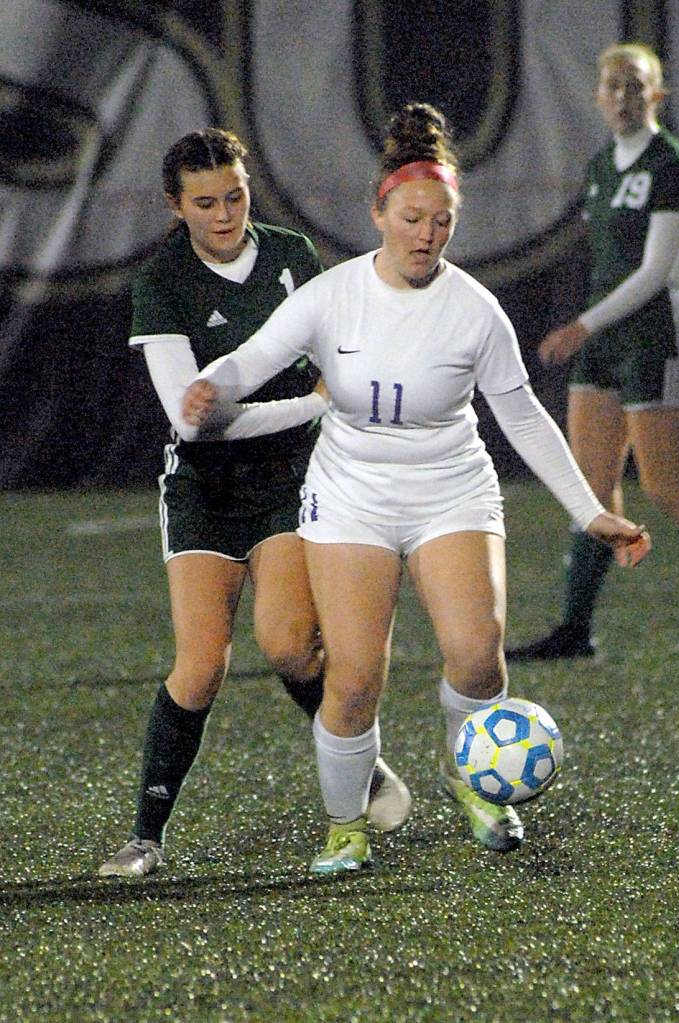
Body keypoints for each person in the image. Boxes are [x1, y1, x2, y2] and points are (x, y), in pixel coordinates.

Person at [180, 104, 651, 875]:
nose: (427, 234)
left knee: (477, 658)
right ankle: (347, 825)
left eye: (442, 220)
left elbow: (525, 418)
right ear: (379, 213)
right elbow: (251, 358)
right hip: (352, 495)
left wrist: (592, 511)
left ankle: (469, 777)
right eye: (411, 217)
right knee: (357, 676)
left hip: (451, 490)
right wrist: (212, 385)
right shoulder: (332, 297)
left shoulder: (475, 310)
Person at [99, 128, 409, 879]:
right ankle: (146, 834)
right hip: (204, 485)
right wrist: (314, 405)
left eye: (234, 195)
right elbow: (190, 419)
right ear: (175, 207)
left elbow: (342, 349)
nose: (224, 212)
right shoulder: (163, 280)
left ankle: (360, 765)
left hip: (287, 479)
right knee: (201, 664)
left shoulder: (292, 256)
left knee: (288, 644)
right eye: (204, 202)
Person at [506, 43, 679, 663]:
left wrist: (582, 324)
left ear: (657, 95)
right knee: (592, 486)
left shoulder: (672, 164)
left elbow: (658, 271)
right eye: (614, 86)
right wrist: (592, 327)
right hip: (606, 337)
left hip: (659, 333)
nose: (624, 97)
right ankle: (575, 630)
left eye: (637, 86)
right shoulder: (603, 163)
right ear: (598, 96)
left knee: (665, 484)